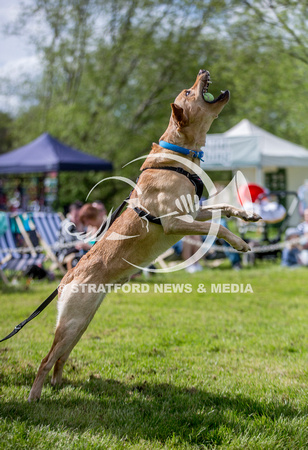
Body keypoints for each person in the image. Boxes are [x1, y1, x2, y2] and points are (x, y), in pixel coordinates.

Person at [56, 201, 91, 269]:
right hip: (66, 253)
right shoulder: (67, 225)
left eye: (79, 216)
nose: (78, 218)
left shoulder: (82, 224)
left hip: (81, 251)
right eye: (76, 216)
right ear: (71, 213)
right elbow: (69, 244)